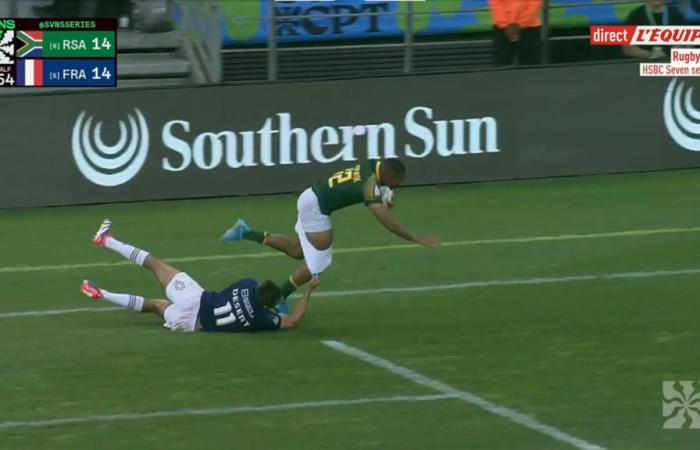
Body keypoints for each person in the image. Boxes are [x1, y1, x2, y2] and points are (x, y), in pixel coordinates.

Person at [220, 158, 440, 308]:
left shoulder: (374, 164)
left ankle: (246, 232)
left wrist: (384, 193)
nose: (397, 186)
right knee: (318, 262)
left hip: (311, 197)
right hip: (316, 207)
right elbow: (387, 222)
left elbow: (375, 187)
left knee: (298, 251)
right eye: (396, 183)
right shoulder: (371, 184)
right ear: (389, 176)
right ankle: (279, 297)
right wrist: (416, 238)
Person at [81, 219, 319, 332]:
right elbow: (293, 322)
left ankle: (107, 240)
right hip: (194, 324)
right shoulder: (264, 320)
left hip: (196, 299)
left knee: (154, 264)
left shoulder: (247, 285)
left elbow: (243, 292)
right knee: (154, 306)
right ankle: (102, 293)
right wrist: (308, 291)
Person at [622, 0, 688, 59]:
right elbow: (627, 48)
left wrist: (677, 52)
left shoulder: (677, 16)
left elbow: (688, 46)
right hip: (641, 65)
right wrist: (649, 54)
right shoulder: (635, 16)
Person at [488, 0, 543, 66]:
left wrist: (520, 24)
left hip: (530, 27)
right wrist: (505, 24)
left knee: (531, 66)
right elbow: (495, 3)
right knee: (501, 65)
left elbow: (534, 3)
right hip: (503, 28)